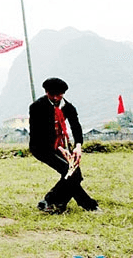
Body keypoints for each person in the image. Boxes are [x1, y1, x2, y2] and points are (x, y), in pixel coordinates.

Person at [29, 77, 100, 214]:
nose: (55, 98)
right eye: (52, 94)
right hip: (41, 147)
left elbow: (76, 127)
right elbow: (40, 133)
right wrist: (61, 149)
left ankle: (52, 203)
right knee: (71, 172)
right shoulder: (37, 107)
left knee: (75, 174)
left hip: (59, 145)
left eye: (58, 94)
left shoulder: (68, 107)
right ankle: (88, 205)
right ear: (46, 92)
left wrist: (78, 146)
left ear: (63, 93)